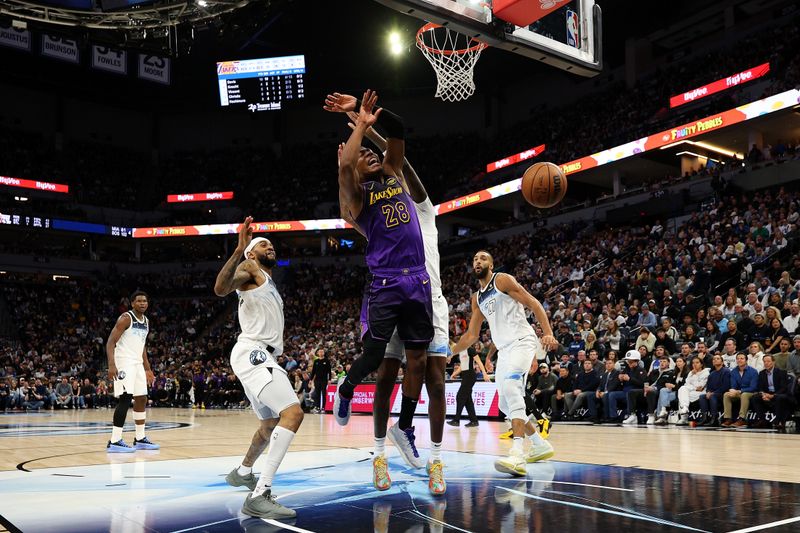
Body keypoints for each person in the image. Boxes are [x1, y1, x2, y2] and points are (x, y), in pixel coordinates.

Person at [337, 109, 451, 494]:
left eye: (376, 154)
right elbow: (346, 192)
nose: (372, 156)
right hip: (388, 286)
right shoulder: (363, 198)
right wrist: (354, 148)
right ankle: (379, 453)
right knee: (384, 373)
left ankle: (412, 435)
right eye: (365, 156)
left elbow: (399, 144)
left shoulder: (409, 191)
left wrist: (372, 119)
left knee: (432, 379)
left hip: (425, 291)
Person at [214, 218, 304, 520]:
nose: (271, 247)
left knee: (270, 424)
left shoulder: (269, 280)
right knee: (293, 413)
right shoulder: (250, 269)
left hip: (257, 355)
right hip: (254, 353)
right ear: (252, 254)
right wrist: (239, 249)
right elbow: (221, 288)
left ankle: (242, 472)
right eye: (264, 244)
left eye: (272, 244)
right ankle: (260, 493)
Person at [450, 250, 557, 477]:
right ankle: (539, 445)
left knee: (511, 387)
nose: (477, 261)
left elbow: (534, 304)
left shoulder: (502, 280)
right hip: (505, 350)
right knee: (505, 406)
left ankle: (517, 455)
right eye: (474, 259)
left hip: (523, 341)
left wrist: (547, 333)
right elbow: (471, 336)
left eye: (483, 258)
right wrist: (450, 352)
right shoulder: (477, 298)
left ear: (491, 264)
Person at [105, 290, 158, 453]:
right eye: (139, 301)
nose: (143, 303)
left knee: (141, 398)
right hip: (124, 362)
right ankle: (114, 441)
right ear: (132, 303)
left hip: (137, 363)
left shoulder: (146, 321)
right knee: (126, 398)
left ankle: (140, 438)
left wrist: (147, 368)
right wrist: (112, 365)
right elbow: (110, 342)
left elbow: (142, 347)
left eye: (145, 301)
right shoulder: (126, 318)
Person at [448, 341, 490, 428]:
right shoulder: (461, 352)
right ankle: (474, 421)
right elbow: (462, 366)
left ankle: (456, 420)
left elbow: (479, 362)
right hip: (465, 376)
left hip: (470, 376)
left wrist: (485, 373)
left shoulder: (470, 350)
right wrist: (454, 373)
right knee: (467, 399)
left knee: (460, 396)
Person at [751, 354, 793, 432]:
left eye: (768, 361)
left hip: (779, 393)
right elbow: (760, 387)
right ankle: (762, 420)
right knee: (755, 398)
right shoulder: (762, 373)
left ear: (773, 362)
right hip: (767, 393)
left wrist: (773, 395)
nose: (766, 363)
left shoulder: (781, 372)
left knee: (779, 397)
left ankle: (779, 421)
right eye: (764, 361)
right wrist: (763, 394)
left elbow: (784, 388)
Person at [721, 353, 759, 428]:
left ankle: (742, 419)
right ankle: (728, 418)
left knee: (744, 395)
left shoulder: (753, 371)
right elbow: (733, 386)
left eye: (742, 358)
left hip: (751, 393)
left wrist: (740, 391)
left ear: (746, 360)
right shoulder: (734, 371)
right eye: (738, 358)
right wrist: (732, 390)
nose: (739, 360)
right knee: (726, 394)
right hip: (739, 392)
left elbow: (753, 387)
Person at [698, 354, 731, 426]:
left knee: (713, 396)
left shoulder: (726, 371)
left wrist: (713, 393)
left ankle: (714, 418)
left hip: (723, 394)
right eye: (714, 359)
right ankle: (705, 418)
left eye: (718, 358)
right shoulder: (712, 373)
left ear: (722, 362)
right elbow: (708, 386)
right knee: (702, 396)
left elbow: (726, 386)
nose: (715, 360)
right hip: (714, 393)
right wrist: (708, 392)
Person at [676, 357, 710, 425]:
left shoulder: (706, 373)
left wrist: (694, 378)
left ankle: (684, 417)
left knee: (682, 394)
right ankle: (684, 410)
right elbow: (686, 384)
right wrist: (694, 386)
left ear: (701, 364)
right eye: (693, 363)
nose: (694, 364)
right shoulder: (691, 372)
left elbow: (700, 386)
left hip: (700, 393)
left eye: (697, 362)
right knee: (682, 389)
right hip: (691, 391)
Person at [589, 358, 620, 423]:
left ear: (614, 364)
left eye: (610, 363)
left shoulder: (617, 373)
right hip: (603, 392)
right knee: (591, 396)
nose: (608, 365)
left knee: (606, 396)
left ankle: (606, 416)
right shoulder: (605, 374)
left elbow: (615, 385)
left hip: (612, 392)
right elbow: (600, 385)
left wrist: (606, 392)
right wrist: (598, 390)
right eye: (606, 364)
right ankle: (594, 416)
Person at [309, 348, 331, 414]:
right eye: (320, 352)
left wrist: (329, 379)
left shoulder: (326, 361)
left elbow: (329, 371)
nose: (321, 353)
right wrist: (311, 379)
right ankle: (317, 407)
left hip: (324, 380)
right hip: (317, 380)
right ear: (318, 353)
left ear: (324, 353)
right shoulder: (316, 361)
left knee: (324, 394)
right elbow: (313, 371)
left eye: (322, 352)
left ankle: (323, 408)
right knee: (317, 394)